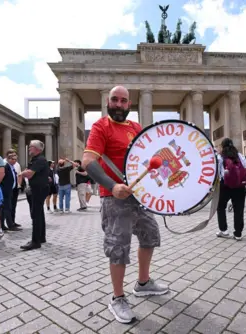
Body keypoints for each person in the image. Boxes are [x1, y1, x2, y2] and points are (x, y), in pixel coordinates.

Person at [82, 85, 168, 324]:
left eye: (123, 101)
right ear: (108, 102)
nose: (119, 104)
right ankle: (117, 298)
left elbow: (149, 160)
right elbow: (88, 160)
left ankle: (142, 283)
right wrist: (112, 186)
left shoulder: (136, 128)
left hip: (139, 197)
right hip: (115, 197)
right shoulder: (101, 126)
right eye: (115, 100)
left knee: (150, 235)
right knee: (118, 247)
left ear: (130, 104)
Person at [216, 138, 246, 240]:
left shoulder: (220, 157)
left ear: (222, 146)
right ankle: (238, 233)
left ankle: (224, 230)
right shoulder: (239, 155)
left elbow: (216, 172)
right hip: (239, 186)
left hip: (225, 186)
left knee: (220, 207)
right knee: (239, 209)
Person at [20, 140, 50, 250]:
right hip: (37, 188)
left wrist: (22, 173)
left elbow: (29, 174)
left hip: (39, 189)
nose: (29, 149)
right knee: (39, 214)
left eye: (31, 147)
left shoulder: (40, 160)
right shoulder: (36, 160)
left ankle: (35, 241)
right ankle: (41, 237)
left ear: (37, 149)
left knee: (36, 214)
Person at [0, 153, 22, 231]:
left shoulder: (12, 167)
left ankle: (2, 225)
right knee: (6, 208)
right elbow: (1, 177)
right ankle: (10, 225)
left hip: (11, 190)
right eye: (12, 159)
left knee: (5, 208)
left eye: (15, 159)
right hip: (5, 190)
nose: (14, 161)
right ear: (8, 159)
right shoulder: (6, 166)